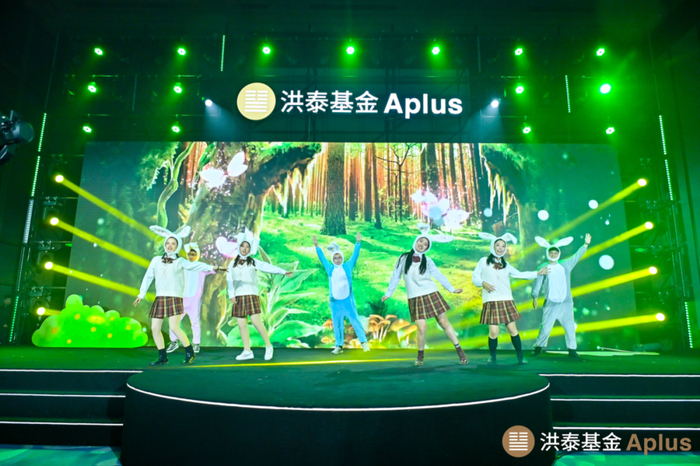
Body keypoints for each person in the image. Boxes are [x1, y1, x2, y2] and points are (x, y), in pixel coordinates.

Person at [382, 223, 467, 366]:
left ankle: (460, 351)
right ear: (416, 241)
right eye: (421, 241)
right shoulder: (403, 258)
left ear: (427, 248)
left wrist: (451, 289)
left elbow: (439, 275)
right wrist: (389, 293)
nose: (422, 244)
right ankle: (420, 356)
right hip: (414, 297)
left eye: (426, 244)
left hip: (430, 293)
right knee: (422, 327)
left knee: (444, 322)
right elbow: (395, 276)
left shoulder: (428, 261)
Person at [134, 226, 216, 366]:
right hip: (160, 297)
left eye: (173, 243)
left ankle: (189, 352)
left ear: (177, 246)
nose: (170, 246)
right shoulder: (156, 260)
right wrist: (141, 293)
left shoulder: (180, 261)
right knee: (155, 328)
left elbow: (195, 266)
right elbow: (148, 277)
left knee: (174, 327)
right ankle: (162, 357)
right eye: (168, 243)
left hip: (174, 297)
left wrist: (211, 268)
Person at [472, 232, 548, 365]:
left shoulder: (506, 265)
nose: (500, 248)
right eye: (498, 245)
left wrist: (536, 273)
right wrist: (483, 283)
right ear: (492, 246)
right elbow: (475, 277)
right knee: (493, 332)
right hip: (491, 300)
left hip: (506, 300)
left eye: (503, 246)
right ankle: (492, 356)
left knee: (512, 330)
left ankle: (520, 356)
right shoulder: (483, 261)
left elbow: (520, 274)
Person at [226, 228, 293, 361]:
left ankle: (268, 346)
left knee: (256, 322)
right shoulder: (232, 263)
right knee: (241, 325)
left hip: (251, 295)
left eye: (247, 247)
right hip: (238, 296)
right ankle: (247, 351)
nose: (244, 249)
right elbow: (229, 280)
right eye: (242, 246)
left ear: (250, 249)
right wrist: (231, 295)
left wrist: (283, 271)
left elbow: (268, 267)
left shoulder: (253, 262)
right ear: (239, 247)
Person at [531, 234, 591, 358]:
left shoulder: (566, 264)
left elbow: (576, 256)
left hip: (566, 303)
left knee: (569, 327)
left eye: (555, 253)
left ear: (559, 253)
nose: (553, 255)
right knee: (545, 327)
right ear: (547, 253)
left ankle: (572, 350)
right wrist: (534, 296)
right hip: (550, 303)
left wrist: (585, 245)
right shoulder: (542, 267)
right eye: (551, 253)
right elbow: (537, 282)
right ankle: (538, 348)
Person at [313, 233, 370, 354]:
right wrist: (317, 247)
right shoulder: (330, 268)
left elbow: (355, 256)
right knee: (337, 324)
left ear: (342, 258)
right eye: (335, 258)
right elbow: (322, 259)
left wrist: (358, 243)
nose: (337, 260)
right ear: (332, 259)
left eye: (339, 257)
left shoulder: (347, 266)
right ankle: (338, 346)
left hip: (347, 302)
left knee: (355, 322)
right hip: (335, 302)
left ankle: (364, 343)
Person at [166, 243, 216, 355]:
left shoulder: (200, 266)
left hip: (194, 300)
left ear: (197, 255)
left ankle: (196, 344)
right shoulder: (183, 265)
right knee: (174, 321)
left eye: (193, 254)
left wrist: (213, 265)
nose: (191, 256)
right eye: (189, 254)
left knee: (195, 322)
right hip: (181, 299)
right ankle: (173, 341)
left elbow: (212, 270)